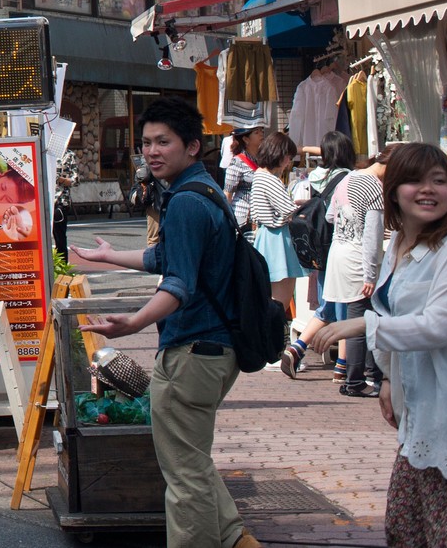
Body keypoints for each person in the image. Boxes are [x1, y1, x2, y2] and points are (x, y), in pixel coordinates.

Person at [72, 96, 252, 548]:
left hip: (194, 349)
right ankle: (234, 539)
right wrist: (111, 255)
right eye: (146, 143)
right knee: (192, 459)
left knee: (184, 476)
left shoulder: (188, 202)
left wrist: (131, 325)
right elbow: (166, 257)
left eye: (163, 142)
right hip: (215, 347)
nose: (152, 151)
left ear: (192, 146)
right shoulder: (204, 192)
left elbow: (178, 285)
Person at [308, 142, 447, 548]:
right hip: (418, 410)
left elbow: (440, 325)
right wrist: (388, 377)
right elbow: (391, 313)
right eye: (414, 181)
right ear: (393, 192)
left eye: (439, 181)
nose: (428, 190)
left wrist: (359, 326)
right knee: (405, 527)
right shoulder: (402, 244)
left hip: (443, 407)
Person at [281, 130, 357, 379]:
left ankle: (297, 348)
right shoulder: (349, 178)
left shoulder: (315, 177)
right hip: (341, 247)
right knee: (343, 306)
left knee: (328, 305)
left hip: (319, 251)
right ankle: (342, 366)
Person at [318, 144, 392, 396]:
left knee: (358, 315)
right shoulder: (374, 187)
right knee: (361, 320)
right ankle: (356, 381)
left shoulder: (348, 178)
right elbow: (372, 237)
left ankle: (366, 377)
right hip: (358, 256)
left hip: (338, 252)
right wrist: (371, 273)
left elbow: (330, 216)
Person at [248, 130, 305, 318]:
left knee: (272, 298)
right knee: (279, 301)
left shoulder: (259, 175)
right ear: (279, 155)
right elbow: (289, 211)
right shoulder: (269, 179)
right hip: (277, 239)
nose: (289, 161)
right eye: (288, 157)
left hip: (267, 237)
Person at [222, 122, 265, 227]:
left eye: (261, 131)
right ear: (246, 139)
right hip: (243, 214)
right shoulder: (236, 162)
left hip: (261, 214)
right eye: (256, 132)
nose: (261, 134)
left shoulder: (263, 159)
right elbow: (228, 193)